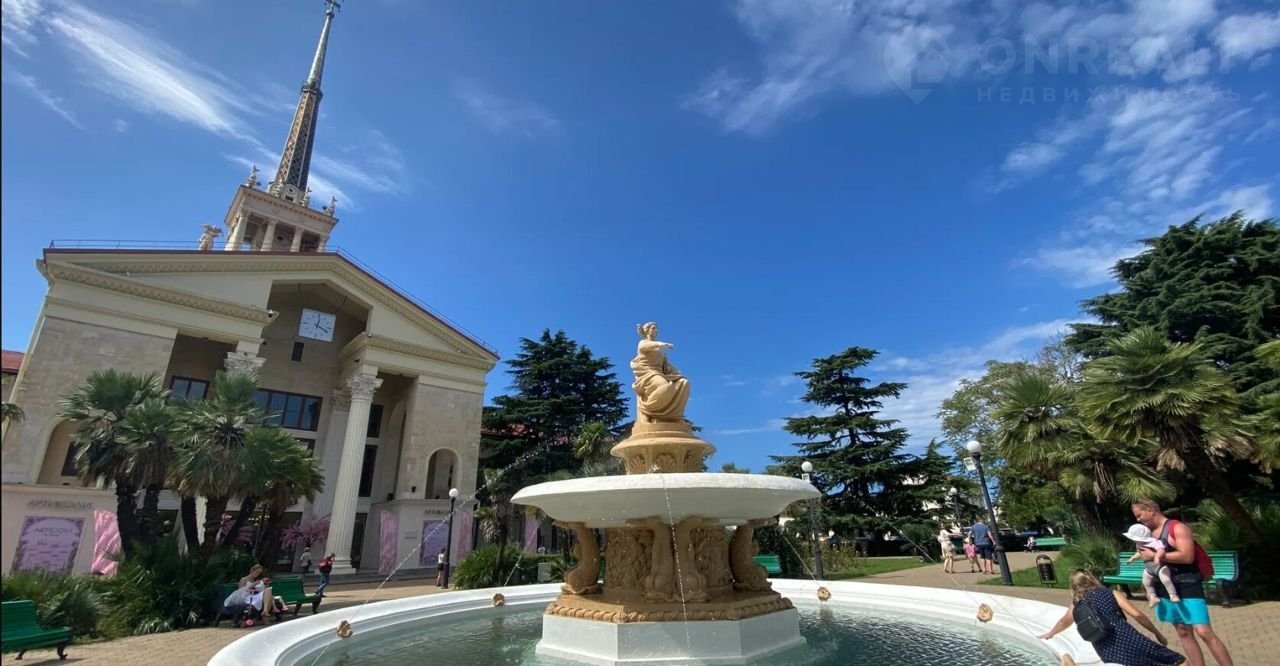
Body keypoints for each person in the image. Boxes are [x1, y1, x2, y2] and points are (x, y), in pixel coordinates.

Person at [1131, 499, 1235, 666]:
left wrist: (1155, 556)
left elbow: (1187, 557)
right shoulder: (1147, 533)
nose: (1138, 519)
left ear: (1150, 510)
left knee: (1204, 631)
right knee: (1183, 631)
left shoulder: (1177, 528)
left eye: (1139, 515)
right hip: (1165, 587)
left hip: (1188, 584)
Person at [1038, 570, 1184, 666]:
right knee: (1179, 661)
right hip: (1130, 640)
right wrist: (1157, 633)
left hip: (1106, 650)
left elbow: (1064, 621)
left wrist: (1050, 633)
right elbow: (1137, 615)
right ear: (1092, 579)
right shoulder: (1110, 593)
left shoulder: (1077, 604)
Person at [1123, 524, 1180, 607]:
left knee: (1166, 579)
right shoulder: (1139, 545)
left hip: (1160, 566)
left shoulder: (1154, 542)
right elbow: (1139, 553)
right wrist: (1132, 558)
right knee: (1146, 582)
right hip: (1149, 568)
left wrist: (1157, 557)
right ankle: (1153, 597)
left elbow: (1161, 550)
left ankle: (1173, 594)